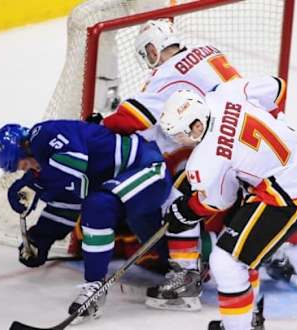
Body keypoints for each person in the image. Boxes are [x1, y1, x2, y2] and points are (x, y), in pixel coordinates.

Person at [87, 18, 242, 311]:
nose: (148, 60)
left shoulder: (167, 74)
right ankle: (269, 253)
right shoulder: (209, 50)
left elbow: (134, 118)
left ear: (152, 47)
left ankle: (185, 280)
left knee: (175, 203)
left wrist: (100, 126)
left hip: (215, 147)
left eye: (147, 52)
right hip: (245, 135)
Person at [158, 76, 297, 330]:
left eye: (178, 134)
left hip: (288, 193)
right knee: (241, 256)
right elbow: (276, 86)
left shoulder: (205, 160)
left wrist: (185, 212)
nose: (177, 140)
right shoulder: (225, 92)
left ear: (196, 126)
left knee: (226, 262)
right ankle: (247, 320)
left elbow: (219, 201)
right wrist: (278, 122)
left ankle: (240, 326)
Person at [0, 120, 172, 324]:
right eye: (23, 169)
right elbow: (66, 205)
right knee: (166, 252)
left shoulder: (44, 134)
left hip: (148, 169)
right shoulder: (53, 171)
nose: (29, 170)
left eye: (25, 163)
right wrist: (38, 240)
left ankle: (94, 289)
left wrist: (35, 185)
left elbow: (75, 162)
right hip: (125, 183)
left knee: (97, 206)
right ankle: (187, 273)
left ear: (26, 146)